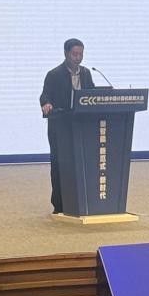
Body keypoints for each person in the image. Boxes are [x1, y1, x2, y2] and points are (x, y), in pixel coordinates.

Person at [39, 38, 95, 214]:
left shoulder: (86, 73)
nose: (78, 58)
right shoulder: (54, 74)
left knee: (81, 163)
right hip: (60, 126)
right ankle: (59, 204)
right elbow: (45, 95)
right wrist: (46, 104)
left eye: (81, 54)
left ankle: (82, 201)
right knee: (60, 164)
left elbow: (92, 95)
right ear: (66, 54)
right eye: (74, 54)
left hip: (81, 126)